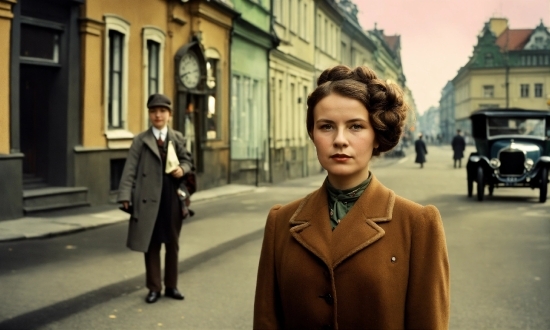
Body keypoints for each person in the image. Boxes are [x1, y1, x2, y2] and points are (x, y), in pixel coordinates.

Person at [253, 65, 450, 329]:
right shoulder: (281, 222)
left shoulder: (417, 224)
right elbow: (267, 321)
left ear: (377, 135)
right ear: (313, 134)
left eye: (356, 126)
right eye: (326, 127)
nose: (340, 140)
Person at [117, 93, 194, 304]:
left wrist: (182, 168)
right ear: (149, 114)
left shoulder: (177, 138)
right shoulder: (141, 141)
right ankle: (154, 288)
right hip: (148, 199)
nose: (158, 115)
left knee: (172, 244)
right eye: (153, 111)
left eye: (162, 111)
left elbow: (189, 162)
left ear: (169, 114)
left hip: (172, 198)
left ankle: (171, 286)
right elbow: (129, 170)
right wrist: (125, 195)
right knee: (151, 244)